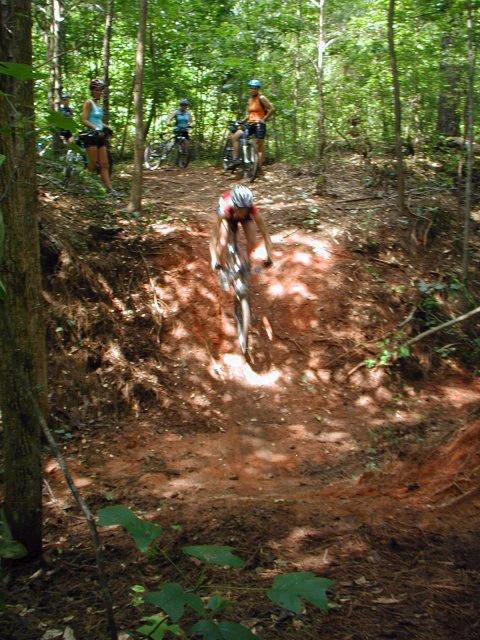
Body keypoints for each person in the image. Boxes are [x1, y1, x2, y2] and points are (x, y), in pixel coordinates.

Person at [210, 185, 273, 279]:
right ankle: (223, 270)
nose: (243, 212)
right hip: (228, 217)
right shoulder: (225, 209)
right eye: (240, 209)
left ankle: (246, 262)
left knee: (253, 241)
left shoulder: (252, 210)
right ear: (235, 205)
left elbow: (265, 235)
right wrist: (214, 258)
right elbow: (214, 237)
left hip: (243, 217)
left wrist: (269, 256)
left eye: (246, 209)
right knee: (223, 243)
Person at [81, 79, 118, 196]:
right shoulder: (88, 103)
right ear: (92, 91)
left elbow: (99, 122)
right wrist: (95, 128)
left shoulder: (98, 105)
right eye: (96, 90)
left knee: (104, 164)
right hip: (91, 136)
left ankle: (110, 189)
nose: (99, 92)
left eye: (100, 90)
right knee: (92, 164)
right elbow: (84, 120)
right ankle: (83, 186)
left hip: (100, 136)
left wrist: (107, 128)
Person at [230, 79, 275, 171]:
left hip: (259, 124)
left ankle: (258, 169)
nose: (252, 90)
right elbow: (248, 114)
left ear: (258, 89)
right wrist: (242, 121)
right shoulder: (250, 100)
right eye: (251, 88)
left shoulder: (262, 98)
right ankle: (235, 160)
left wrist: (264, 119)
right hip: (250, 124)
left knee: (259, 146)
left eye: (254, 88)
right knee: (236, 136)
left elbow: (272, 109)